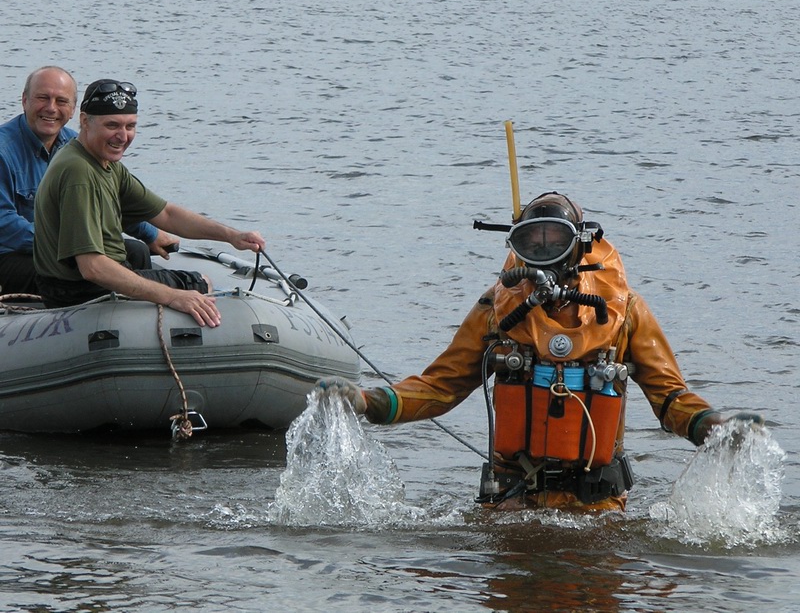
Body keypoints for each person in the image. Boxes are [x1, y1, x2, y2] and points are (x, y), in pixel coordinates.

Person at [320, 192, 764, 511]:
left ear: (580, 243)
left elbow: (671, 399)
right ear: (517, 245)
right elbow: (441, 386)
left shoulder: (623, 310)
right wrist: (366, 402)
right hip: (512, 500)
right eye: (533, 242)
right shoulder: (499, 309)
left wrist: (716, 426)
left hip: (598, 507)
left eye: (556, 241)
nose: (544, 252)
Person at [33, 78, 266, 327]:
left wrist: (231, 236)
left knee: (141, 253)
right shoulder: (78, 173)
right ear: (84, 122)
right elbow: (92, 268)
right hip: (77, 289)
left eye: (130, 126)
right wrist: (174, 296)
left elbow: (166, 214)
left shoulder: (102, 162)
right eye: (112, 125)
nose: (122, 136)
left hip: (80, 281)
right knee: (199, 284)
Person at [0, 66, 175, 295]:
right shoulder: (4, 151)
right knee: (86, 269)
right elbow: (4, 223)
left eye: (61, 101)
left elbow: (111, 198)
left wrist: (150, 233)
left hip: (65, 248)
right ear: (24, 101)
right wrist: (71, 248)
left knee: (136, 251)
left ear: (73, 110)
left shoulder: (78, 145)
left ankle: (138, 322)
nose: (51, 108)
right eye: (42, 98)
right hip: (11, 255)